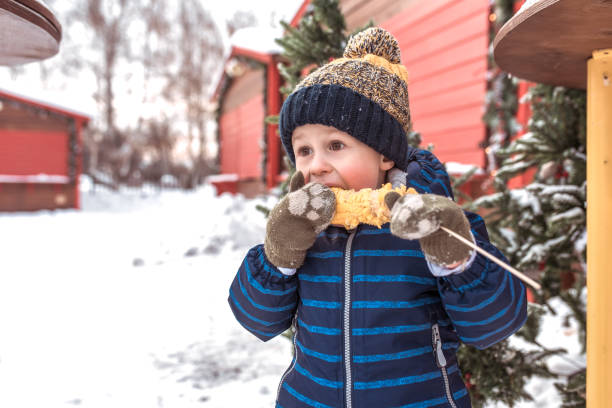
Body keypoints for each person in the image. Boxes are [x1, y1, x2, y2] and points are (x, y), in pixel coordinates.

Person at [228, 27, 527, 408]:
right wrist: (276, 257)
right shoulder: (303, 230)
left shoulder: (433, 221)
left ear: (385, 155)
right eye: (303, 150)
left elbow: (494, 325)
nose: (316, 165)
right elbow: (257, 319)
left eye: (335, 145)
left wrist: (456, 259)